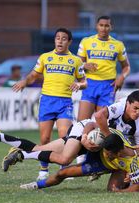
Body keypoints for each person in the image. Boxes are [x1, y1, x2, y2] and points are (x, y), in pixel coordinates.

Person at [0, 90, 139, 170]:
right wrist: (86, 136)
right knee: (64, 160)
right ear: (128, 103)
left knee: (39, 149)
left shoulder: (135, 125)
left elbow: (128, 147)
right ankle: (21, 155)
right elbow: (95, 120)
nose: (137, 113)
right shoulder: (118, 109)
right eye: (135, 108)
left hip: (87, 137)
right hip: (82, 130)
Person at [12, 28, 87, 180]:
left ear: (69, 42)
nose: (60, 41)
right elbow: (33, 75)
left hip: (64, 102)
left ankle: (64, 168)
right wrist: (24, 81)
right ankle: (43, 168)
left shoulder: (76, 61)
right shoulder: (45, 57)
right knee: (45, 139)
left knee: (64, 137)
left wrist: (79, 85)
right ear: (54, 41)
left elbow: (84, 82)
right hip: (47, 101)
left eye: (64, 38)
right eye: (58, 38)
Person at [18, 133, 139, 192]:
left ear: (118, 153)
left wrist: (121, 192)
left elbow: (138, 187)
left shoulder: (132, 161)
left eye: (109, 154)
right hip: (95, 154)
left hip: (111, 168)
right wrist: (85, 136)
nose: (106, 154)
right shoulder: (109, 135)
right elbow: (90, 123)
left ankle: (132, 177)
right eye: (106, 151)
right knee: (62, 173)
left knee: (112, 190)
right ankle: (36, 185)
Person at [76, 15, 130, 122]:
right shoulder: (86, 42)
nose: (103, 28)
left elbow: (126, 67)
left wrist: (122, 77)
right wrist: (85, 65)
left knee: (102, 123)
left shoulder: (118, 45)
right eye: (101, 25)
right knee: (81, 124)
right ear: (97, 26)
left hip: (108, 86)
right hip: (89, 85)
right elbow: (77, 63)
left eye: (106, 26)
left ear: (111, 27)